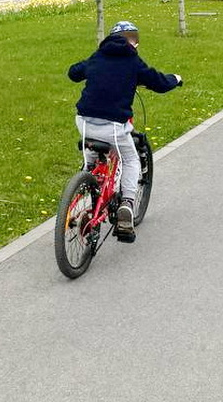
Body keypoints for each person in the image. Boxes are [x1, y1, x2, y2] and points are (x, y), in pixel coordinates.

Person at [68, 21, 182, 243]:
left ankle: (85, 181)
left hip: (84, 122)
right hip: (113, 127)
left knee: (92, 156)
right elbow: (159, 83)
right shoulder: (132, 61)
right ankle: (127, 204)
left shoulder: (98, 56)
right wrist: (175, 79)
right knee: (130, 160)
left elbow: (74, 73)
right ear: (133, 42)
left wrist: (90, 69)